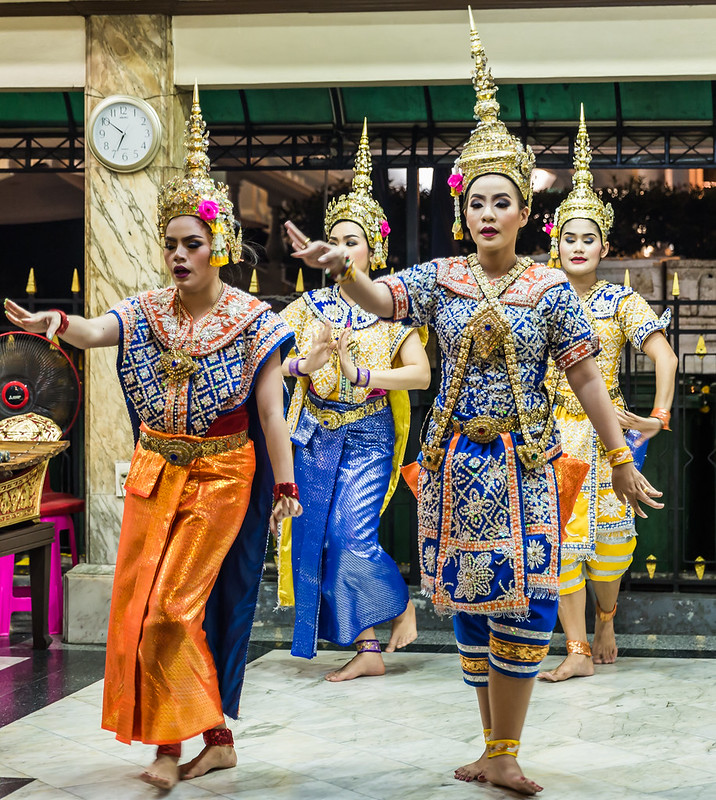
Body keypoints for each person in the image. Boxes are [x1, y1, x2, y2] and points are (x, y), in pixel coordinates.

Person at [284, 15, 663, 796]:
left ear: (527, 213)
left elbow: (589, 379)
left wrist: (619, 455)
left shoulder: (548, 288)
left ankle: (509, 750)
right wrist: (340, 271)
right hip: (453, 467)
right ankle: (489, 746)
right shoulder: (440, 276)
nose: (488, 214)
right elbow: (382, 299)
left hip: (525, 467)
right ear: (464, 213)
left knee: (521, 605)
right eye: (477, 203)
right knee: (463, 608)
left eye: (503, 202)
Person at [4, 87, 301, 791]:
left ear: (218, 245)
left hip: (222, 477)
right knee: (142, 611)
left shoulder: (255, 320)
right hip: (153, 472)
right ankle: (188, 744)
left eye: (191, 244)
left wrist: (285, 485)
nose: (177, 256)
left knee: (175, 608)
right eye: (169, 244)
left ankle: (190, 741)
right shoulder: (145, 311)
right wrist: (57, 325)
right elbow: (96, 330)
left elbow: (270, 415)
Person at [278, 120, 431, 681]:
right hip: (316, 431)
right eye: (335, 239)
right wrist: (306, 364)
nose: (341, 250)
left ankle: (399, 603)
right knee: (318, 541)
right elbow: (267, 364)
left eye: (353, 241)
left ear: (374, 248)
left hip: (367, 432)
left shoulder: (392, 309)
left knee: (350, 532)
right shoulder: (307, 308)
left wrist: (361, 372)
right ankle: (367, 648)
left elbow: (418, 375)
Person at [537, 108, 677, 682]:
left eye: (587, 238)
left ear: (603, 246)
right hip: (552, 433)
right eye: (568, 237)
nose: (577, 246)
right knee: (563, 539)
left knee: (612, 544)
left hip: (610, 433)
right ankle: (574, 649)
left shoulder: (621, 302)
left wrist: (655, 418)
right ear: (556, 243)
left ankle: (605, 618)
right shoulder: (537, 295)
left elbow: (664, 355)